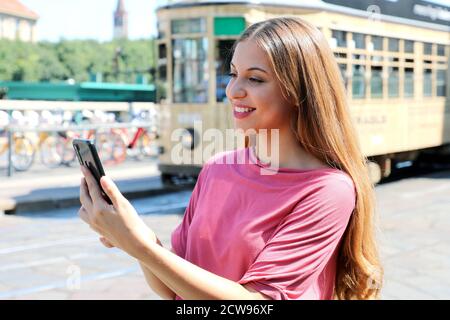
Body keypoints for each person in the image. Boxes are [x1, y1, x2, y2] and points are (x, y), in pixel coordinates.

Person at [78, 17, 383, 300]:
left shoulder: (328, 191)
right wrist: (138, 240)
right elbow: (173, 291)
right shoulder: (216, 169)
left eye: (255, 79)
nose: (233, 90)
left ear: (298, 91)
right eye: (234, 74)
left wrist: (141, 247)